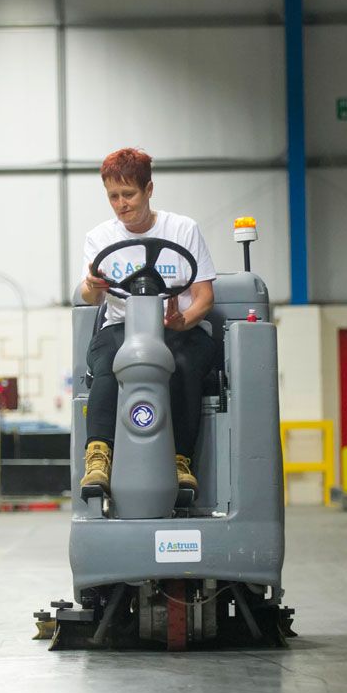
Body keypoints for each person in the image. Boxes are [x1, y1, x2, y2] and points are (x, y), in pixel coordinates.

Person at [79, 147, 218, 498]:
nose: (121, 204)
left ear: (149, 189)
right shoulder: (100, 238)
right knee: (109, 362)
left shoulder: (183, 229)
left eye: (129, 194)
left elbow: (204, 297)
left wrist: (183, 321)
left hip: (177, 329)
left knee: (182, 362)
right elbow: (90, 297)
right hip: (121, 328)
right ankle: (98, 457)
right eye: (113, 196)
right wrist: (91, 286)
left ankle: (180, 460)